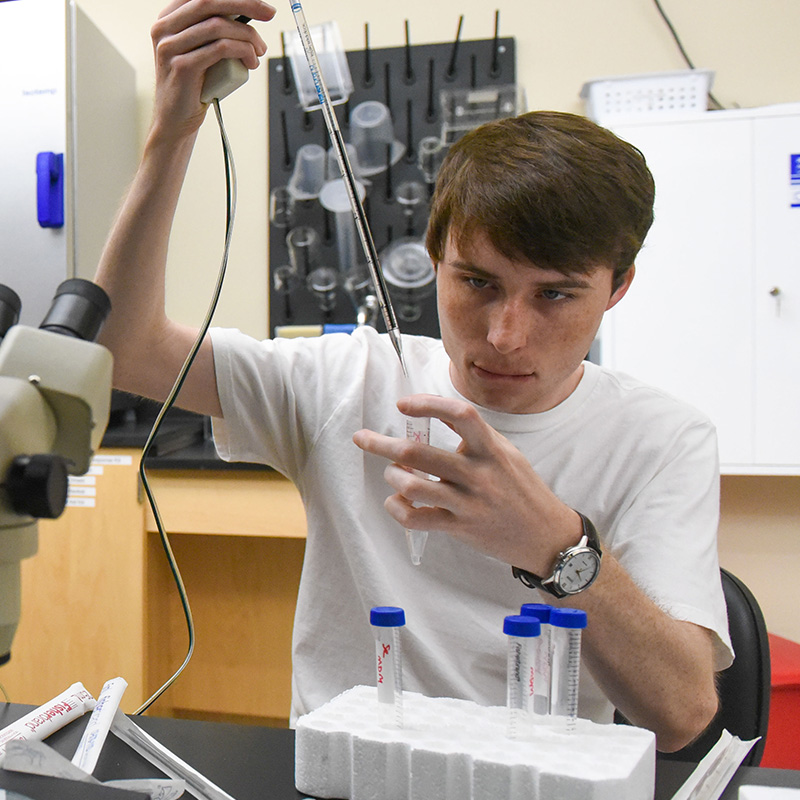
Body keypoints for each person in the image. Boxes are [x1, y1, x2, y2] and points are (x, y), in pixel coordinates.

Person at [95, 0, 732, 752]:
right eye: (477, 283)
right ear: (433, 258)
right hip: (342, 779)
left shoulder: (662, 438)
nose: (504, 336)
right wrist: (172, 134)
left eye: (554, 294)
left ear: (617, 288)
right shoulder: (350, 381)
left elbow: (684, 712)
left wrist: (555, 548)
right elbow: (127, 348)